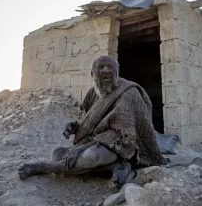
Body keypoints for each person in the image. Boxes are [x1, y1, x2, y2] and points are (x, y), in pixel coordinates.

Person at [18, 55, 167, 188]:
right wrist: (74, 127)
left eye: (110, 67)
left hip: (120, 148)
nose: (105, 70)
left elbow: (123, 137)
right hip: (95, 143)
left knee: (93, 156)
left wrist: (81, 148)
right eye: (101, 67)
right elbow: (87, 121)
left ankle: (44, 168)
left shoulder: (127, 93)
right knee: (57, 153)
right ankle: (117, 167)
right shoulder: (92, 93)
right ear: (92, 73)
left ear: (116, 73)